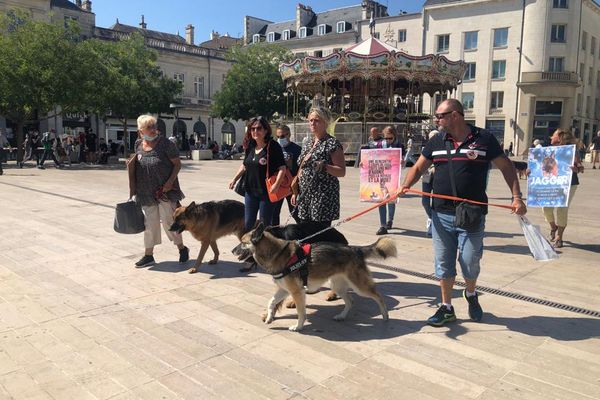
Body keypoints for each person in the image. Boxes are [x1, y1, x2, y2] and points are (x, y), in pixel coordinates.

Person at [399, 99, 526, 327]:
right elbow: (418, 167)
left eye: (440, 115)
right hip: (441, 213)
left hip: (472, 213)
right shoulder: (437, 140)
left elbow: (506, 167)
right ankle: (447, 307)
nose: (436, 120)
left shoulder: (483, 138)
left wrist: (517, 197)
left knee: (469, 262)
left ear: (455, 115)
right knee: (444, 263)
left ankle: (470, 292)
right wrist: (405, 186)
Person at [131, 115, 189, 268]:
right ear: (140, 131)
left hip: (165, 191)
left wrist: (170, 183)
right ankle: (148, 255)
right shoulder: (138, 144)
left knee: (170, 221)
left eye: (153, 126)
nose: (153, 129)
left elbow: (177, 164)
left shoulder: (166, 144)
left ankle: (182, 248)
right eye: (148, 127)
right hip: (146, 192)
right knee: (149, 224)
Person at [228, 116, 287, 232]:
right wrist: (234, 180)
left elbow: (282, 168)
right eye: (252, 129)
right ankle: (250, 249)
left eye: (259, 128)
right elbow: (245, 165)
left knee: (264, 226)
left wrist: (276, 185)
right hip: (250, 192)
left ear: (265, 130)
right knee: (248, 224)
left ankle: (267, 249)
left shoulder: (273, 146)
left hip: (267, 193)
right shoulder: (250, 146)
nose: (255, 131)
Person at [292, 107, 346, 231]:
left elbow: (341, 171)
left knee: (319, 234)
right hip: (305, 195)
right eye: (310, 120)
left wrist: (325, 167)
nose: (312, 123)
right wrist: (296, 191)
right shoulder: (308, 143)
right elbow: (302, 167)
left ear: (325, 122)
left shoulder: (332, 143)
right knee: (305, 231)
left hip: (323, 197)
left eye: (317, 120)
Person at [542, 129, 583, 248]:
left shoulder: (572, 151)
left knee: (562, 208)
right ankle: (553, 227)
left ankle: (559, 236)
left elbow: (580, 166)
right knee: (546, 208)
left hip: (569, 183)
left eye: (553, 135)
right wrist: (531, 171)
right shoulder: (547, 150)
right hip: (551, 183)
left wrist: (577, 169)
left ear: (559, 137)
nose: (551, 138)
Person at [272, 125, 302, 225]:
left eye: (282, 136)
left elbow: (301, 168)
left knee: (295, 212)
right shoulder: (274, 148)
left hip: (292, 186)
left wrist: (296, 187)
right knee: (274, 213)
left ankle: (304, 232)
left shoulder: (297, 149)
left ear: (289, 135)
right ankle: (275, 235)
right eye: (278, 137)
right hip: (278, 185)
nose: (280, 139)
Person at [376, 126, 402, 235]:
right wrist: (364, 164)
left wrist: (402, 162)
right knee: (381, 200)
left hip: (393, 175)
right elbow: (372, 157)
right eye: (386, 138)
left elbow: (403, 160)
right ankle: (382, 225)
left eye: (390, 138)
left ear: (394, 137)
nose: (388, 141)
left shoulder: (399, 146)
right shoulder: (380, 144)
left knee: (391, 200)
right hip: (381, 174)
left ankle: (390, 220)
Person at [421, 130, 439, 237]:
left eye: (435, 137)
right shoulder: (426, 149)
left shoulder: (443, 149)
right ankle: (431, 216)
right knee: (425, 201)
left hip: (438, 177)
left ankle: (433, 225)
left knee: (436, 202)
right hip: (427, 176)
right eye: (431, 137)